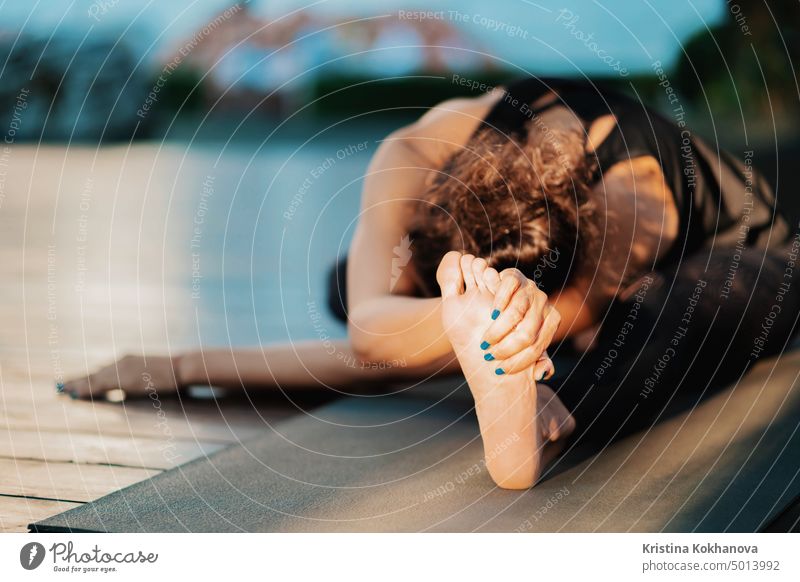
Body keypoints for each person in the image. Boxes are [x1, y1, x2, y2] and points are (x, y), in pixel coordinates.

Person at [61, 77, 800, 490]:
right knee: (346, 286)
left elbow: (384, 358)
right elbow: (368, 337)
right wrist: (182, 367)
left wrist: (512, 335)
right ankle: (518, 374)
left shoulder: (632, 204)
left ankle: (544, 404)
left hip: (730, 260)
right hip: (539, 289)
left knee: (657, 325)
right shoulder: (413, 153)